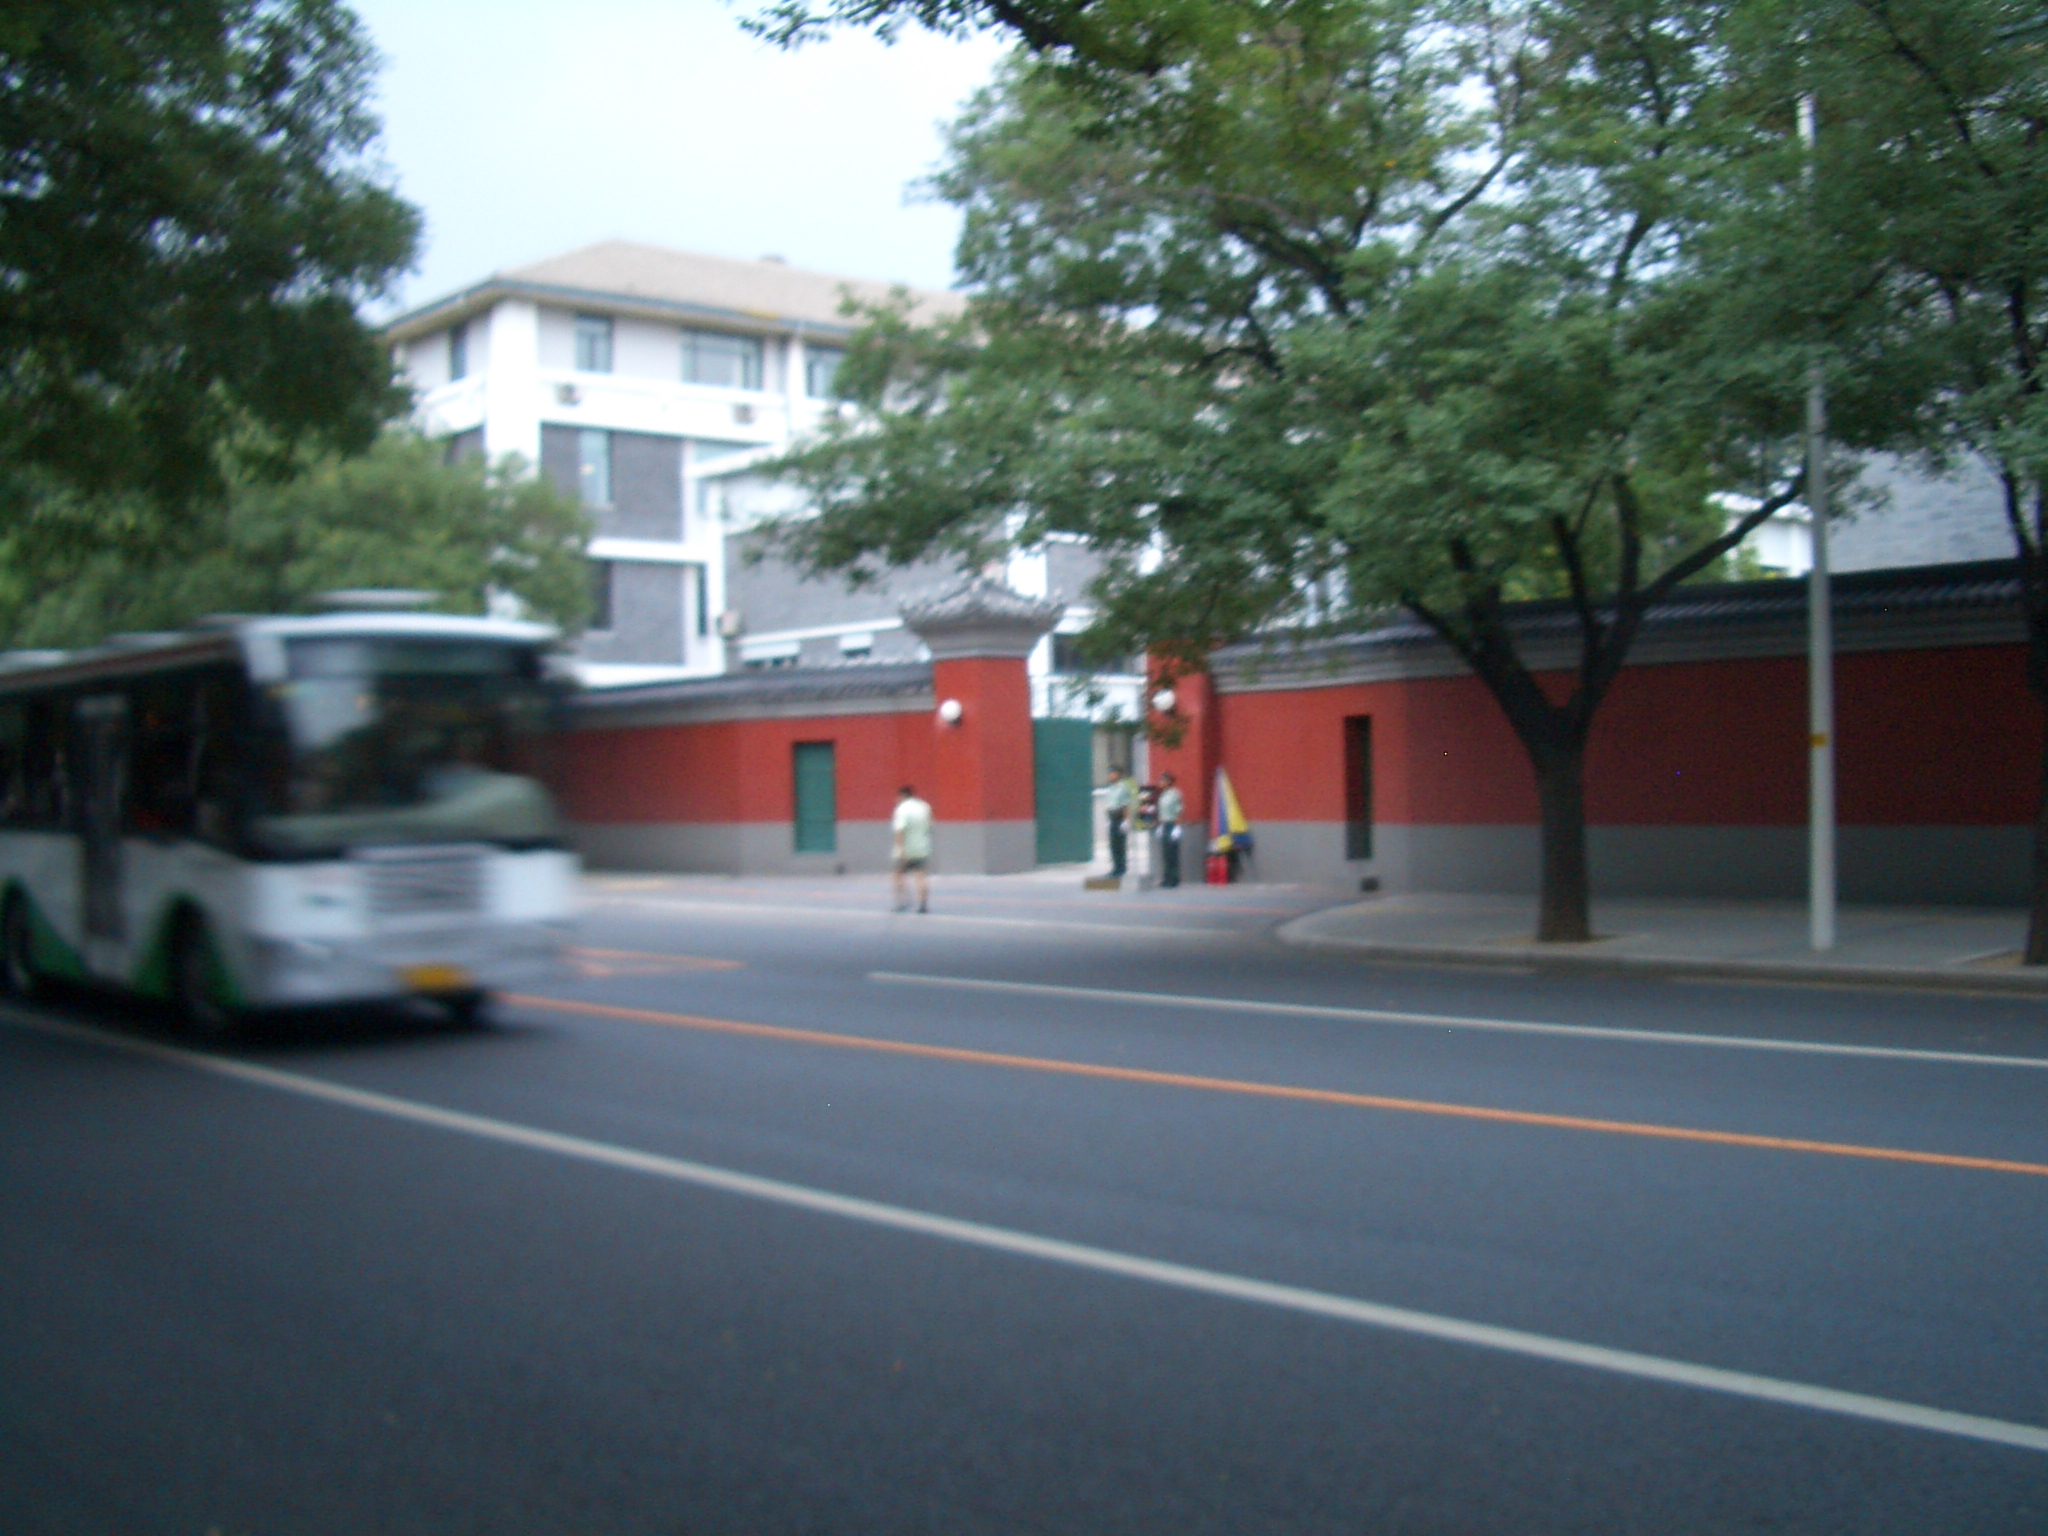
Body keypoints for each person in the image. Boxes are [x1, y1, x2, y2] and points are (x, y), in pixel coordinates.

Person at [891, 784, 934, 913]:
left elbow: (899, 830)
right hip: (922, 846)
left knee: (898, 875)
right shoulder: (924, 806)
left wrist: (900, 848)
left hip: (906, 848)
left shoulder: (902, 809)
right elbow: (930, 825)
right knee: (920, 875)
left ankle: (902, 902)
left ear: (902, 795)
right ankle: (923, 904)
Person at [1102, 766, 1136, 878]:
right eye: (1109, 773)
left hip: (1120, 818)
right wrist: (1108, 820)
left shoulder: (1123, 788)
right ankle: (1115, 867)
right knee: (1113, 845)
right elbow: (1109, 805)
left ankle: (1121, 868)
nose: (1110, 775)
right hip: (1112, 818)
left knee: (1120, 844)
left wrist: (1126, 821)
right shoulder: (1111, 788)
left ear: (1117, 774)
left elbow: (1125, 805)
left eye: (1112, 773)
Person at [1156, 771, 1184, 888]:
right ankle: (1166, 878)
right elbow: (1162, 812)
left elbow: (1178, 811)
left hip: (1172, 825)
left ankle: (1174, 878)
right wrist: (1160, 826)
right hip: (1164, 824)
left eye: (1163, 780)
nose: (1160, 782)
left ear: (1169, 782)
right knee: (1166, 853)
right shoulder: (1163, 794)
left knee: (1173, 853)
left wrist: (1177, 828)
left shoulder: (1175, 794)